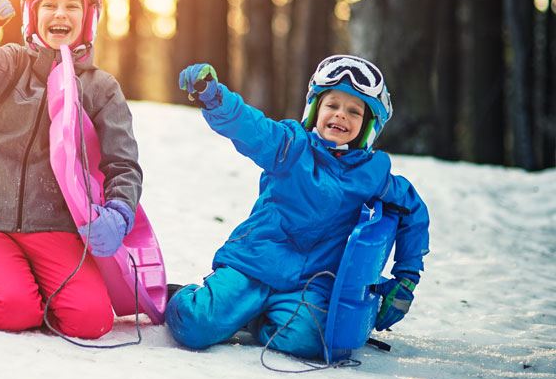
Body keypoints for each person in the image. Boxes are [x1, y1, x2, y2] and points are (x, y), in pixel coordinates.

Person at [167, 55, 430, 359]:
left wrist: (406, 278)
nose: (340, 115)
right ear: (315, 110)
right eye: (332, 105)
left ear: (370, 124)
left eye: (354, 111)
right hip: (255, 264)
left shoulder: (374, 176)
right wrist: (215, 98)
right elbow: (252, 127)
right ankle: (183, 298)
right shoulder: (290, 147)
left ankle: (253, 317)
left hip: (310, 284)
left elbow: (413, 210)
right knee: (195, 325)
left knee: (310, 340)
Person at [0, 0, 142, 340]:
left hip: (56, 227)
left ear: (89, 18)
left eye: (73, 5)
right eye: (48, 4)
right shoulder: (13, 65)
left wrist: (119, 213)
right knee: (12, 311)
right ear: (33, 14)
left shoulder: (101, 89)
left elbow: (123, 164)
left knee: (92, 321)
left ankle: (31, 280)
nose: (60, 14)